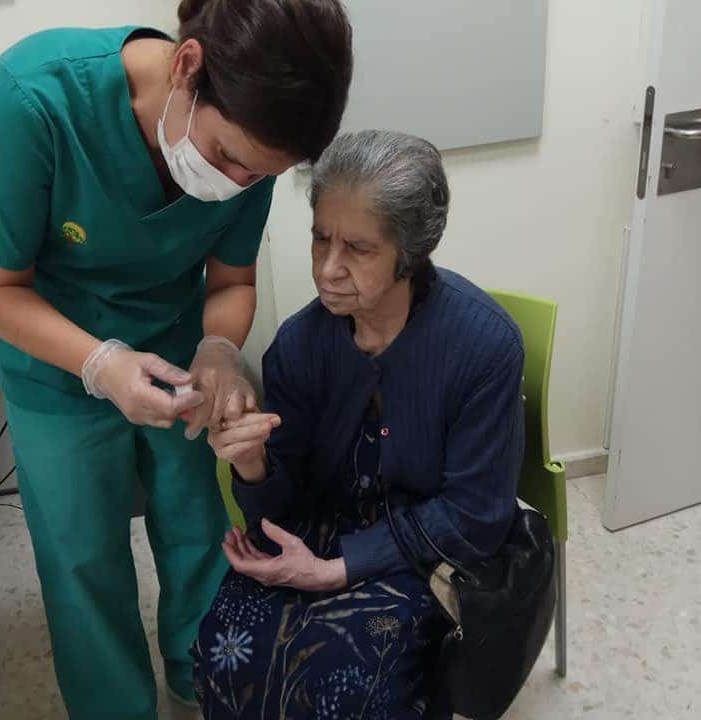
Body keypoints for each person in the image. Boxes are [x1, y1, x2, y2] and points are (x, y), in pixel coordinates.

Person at [0, 2, 352, 718]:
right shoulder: (33, 98)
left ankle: (207, 680)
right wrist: (99, 363)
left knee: (198, 530)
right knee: (83, 559)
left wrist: (219, 351)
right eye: (226, 157)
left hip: (176, 351)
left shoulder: (250, 153)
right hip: (56, 365)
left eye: (257, 176)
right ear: (187, 66)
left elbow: (230, 283)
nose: (232, 182)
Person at [194, 130, 525, 719]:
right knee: (224, 654)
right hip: (322, 525)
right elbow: (280, 510)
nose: (328, 269)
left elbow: (477, 513)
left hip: (425, 543)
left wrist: (336, 570)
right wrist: (251, 461)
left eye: (359, 249)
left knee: (345, 686)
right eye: (320, 239)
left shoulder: (484, 346)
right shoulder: (299, 343)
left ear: (412, 251)